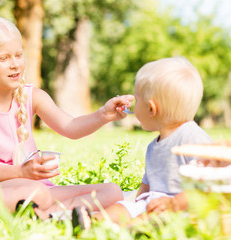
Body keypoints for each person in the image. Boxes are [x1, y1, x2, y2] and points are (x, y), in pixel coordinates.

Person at [0, 16, 134, 220]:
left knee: (112, 192)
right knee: (37, 192)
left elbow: (71, 127)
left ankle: (43, 215)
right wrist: (21, 172)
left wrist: (103, 115)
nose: (15, 64)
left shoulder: (33, 96)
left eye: (18, 55)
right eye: (3, 58)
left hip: (35, 188)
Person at [72, 57, 213, 229]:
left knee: (147, 219)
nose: (134, 105)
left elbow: (210, 181)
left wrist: (175, 202)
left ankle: (126, 229)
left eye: (137, 100)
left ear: (151, 109)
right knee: (120, 209)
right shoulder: (154, 145)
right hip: (151, 203)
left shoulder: (191, 137)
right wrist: (134, 205)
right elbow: (146, 186)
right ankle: (92, 222)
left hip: (181, 208)